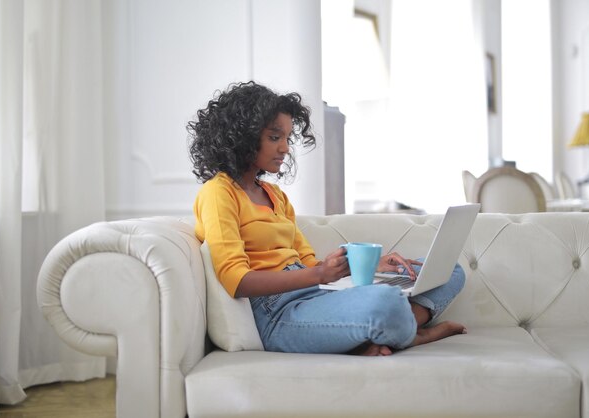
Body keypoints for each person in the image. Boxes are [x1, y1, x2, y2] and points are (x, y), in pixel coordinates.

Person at [188, 81, 466, 356]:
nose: (285, 148)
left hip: (316, 294)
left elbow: (308, 264)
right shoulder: (218, 193)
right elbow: (236, 280)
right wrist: (318, 274)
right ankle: (415, 334)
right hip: (277, 314)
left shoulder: (275, 195)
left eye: (287, 138)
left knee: (450, 270)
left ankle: (391, 329)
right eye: (275, 137)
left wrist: (363, 267)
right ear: (243, 137)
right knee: (385, 301)